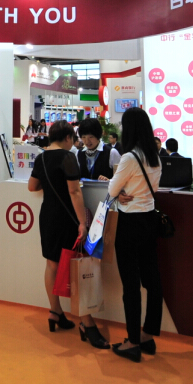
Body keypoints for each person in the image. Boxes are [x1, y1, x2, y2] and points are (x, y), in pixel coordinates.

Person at [26, 120, 108, 349]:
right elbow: (74, 191)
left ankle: (55, 311)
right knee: (75, 267)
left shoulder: (41, 157)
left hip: (47, 217)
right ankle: (87, 323)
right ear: (68, 138)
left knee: (51, 265)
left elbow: (32, 187)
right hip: (66, 218)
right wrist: (82, 222)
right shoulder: (68, 157)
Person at [107, 107, 163, 362]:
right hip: (150, 220)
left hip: (130, 222)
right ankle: (147, 335)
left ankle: (132, 341)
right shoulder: (154, 156)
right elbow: (154, 188)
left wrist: (120, 192)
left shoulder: (129, 157)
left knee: (131, 284)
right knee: (152, 280)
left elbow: (112, 188)